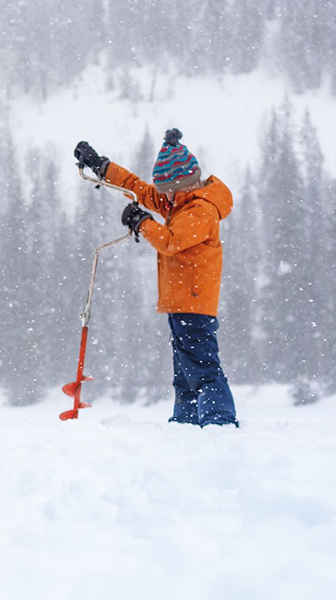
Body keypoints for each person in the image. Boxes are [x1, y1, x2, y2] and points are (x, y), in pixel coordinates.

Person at [74, 129, 240, 427]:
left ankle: (220, 422)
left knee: (202, 368)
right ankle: (186, 422)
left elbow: (170, 240)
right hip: (181, 303)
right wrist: (101, 166)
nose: (161, 197)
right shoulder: (179, 201)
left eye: (167, 191)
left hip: (194, 302)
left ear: (181, 186)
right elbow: (140, 189)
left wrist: (142, 222)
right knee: (184, 370)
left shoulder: (201, 210)